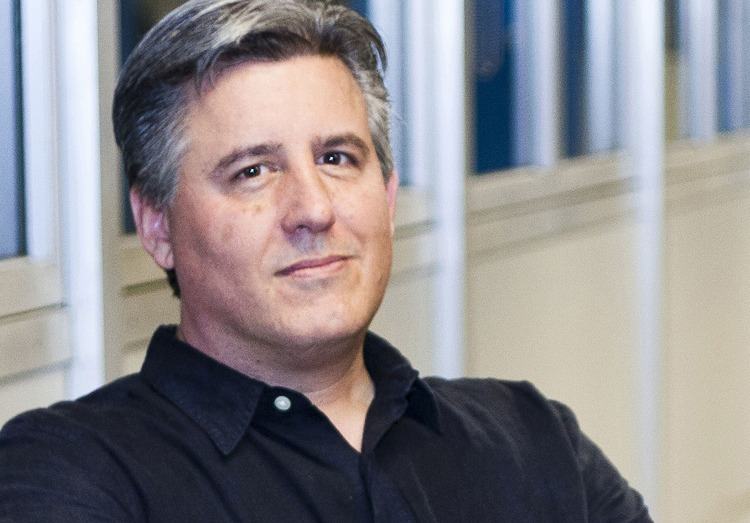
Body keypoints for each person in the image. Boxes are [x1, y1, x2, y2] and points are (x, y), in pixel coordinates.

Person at [0, 0, 652, 520]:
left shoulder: (537, 443)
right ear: (156, 226)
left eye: (337, 158)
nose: (313, 208)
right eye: (253, 171)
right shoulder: (73, 473)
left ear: (388, 197)